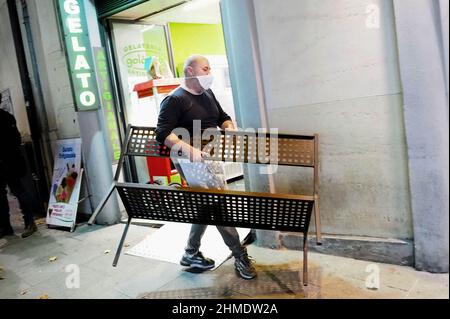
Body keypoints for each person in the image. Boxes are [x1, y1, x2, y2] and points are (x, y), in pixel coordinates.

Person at [155, 55, 257, 280]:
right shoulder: (174, 99)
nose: (209, 73)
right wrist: (190, 151)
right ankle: (240, 255)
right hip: (192, 159)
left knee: (206, 205)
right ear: (190, 71)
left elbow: (223, 117)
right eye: (205, 68)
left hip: (212, 156)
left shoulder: (207, 94)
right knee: (217, 204)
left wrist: (229, 127)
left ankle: (190, 253)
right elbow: (162, 133)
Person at [0, 93, 37, 238]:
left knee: (18, 192)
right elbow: (16, 139)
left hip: (9, 162)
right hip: (10, 162)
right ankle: (7, 226)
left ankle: (28, 222)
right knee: (6, 194)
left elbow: (14, 141)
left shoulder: (6, 118)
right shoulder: (8, 117)